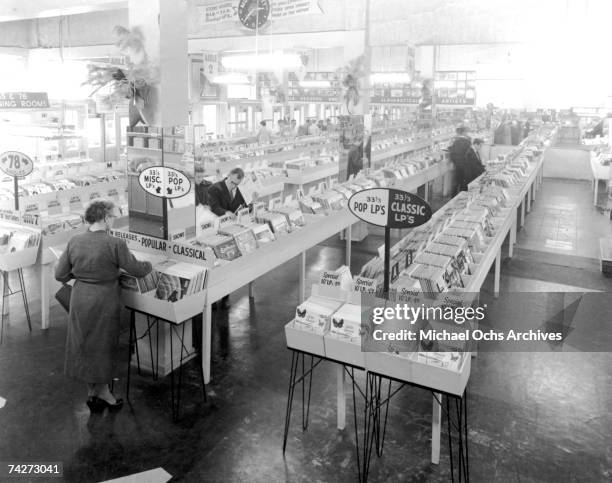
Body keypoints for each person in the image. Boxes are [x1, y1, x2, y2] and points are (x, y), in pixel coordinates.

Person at [55, 200, 152, 413]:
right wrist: (150, 264)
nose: (114, 221)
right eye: (114, 217)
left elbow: (59, 274)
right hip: (104, 300)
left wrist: (82, 276)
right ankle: (105, 393)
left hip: (80, 298)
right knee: (103, 347)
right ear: (106, 218)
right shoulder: (115, 243)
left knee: (85, 345)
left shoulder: (75, 241)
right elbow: (136, 269)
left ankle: (92, 392)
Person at [448, 126, 472, 193]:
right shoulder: (467, 141)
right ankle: (462, 196)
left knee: (456, 182)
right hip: (464, 165)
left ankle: (454, 197)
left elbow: (452, 153)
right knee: (463, 182)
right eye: (467, 132)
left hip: (457, 164)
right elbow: (469, 154)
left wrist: (453, 162)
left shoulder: (455, 141)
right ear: (464, 132)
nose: (468, 133)